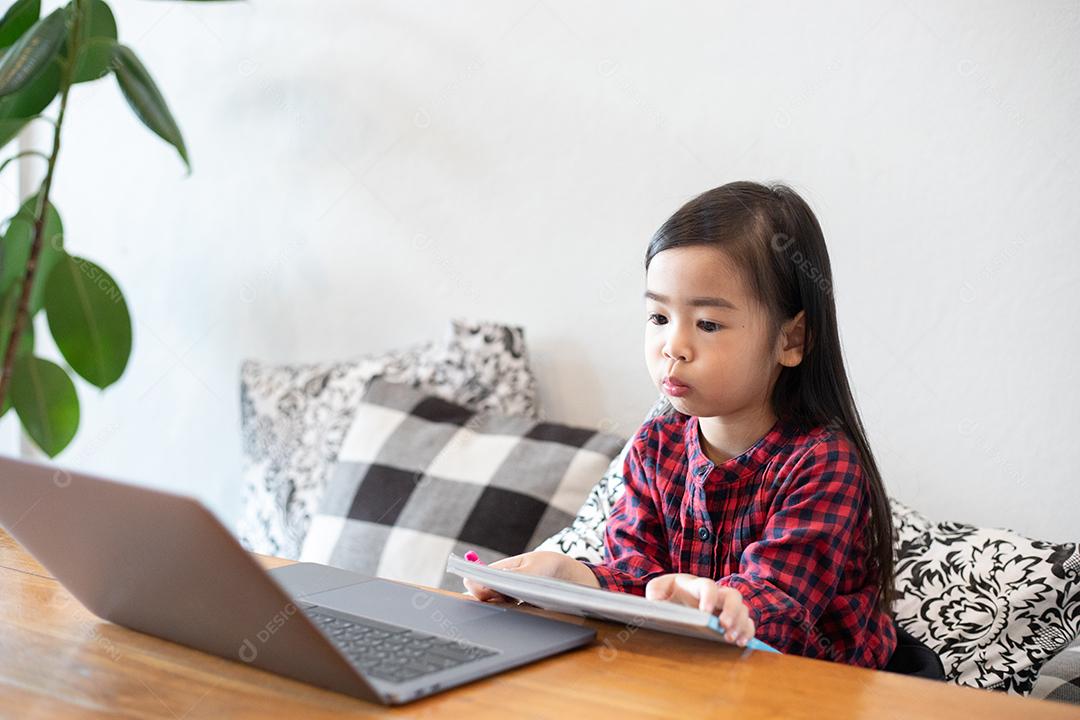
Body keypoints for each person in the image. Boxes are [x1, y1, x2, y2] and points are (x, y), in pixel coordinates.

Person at [464, 181, 898, 667]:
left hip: (812, 687)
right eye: (658, 317)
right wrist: (568, 576)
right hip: (696, 670)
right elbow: (634, 572)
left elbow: (779, 606)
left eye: (708, 324)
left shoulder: (822, 464)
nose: (674, 346)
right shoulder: (657, 442)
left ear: (790, 339)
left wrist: (716, 606)